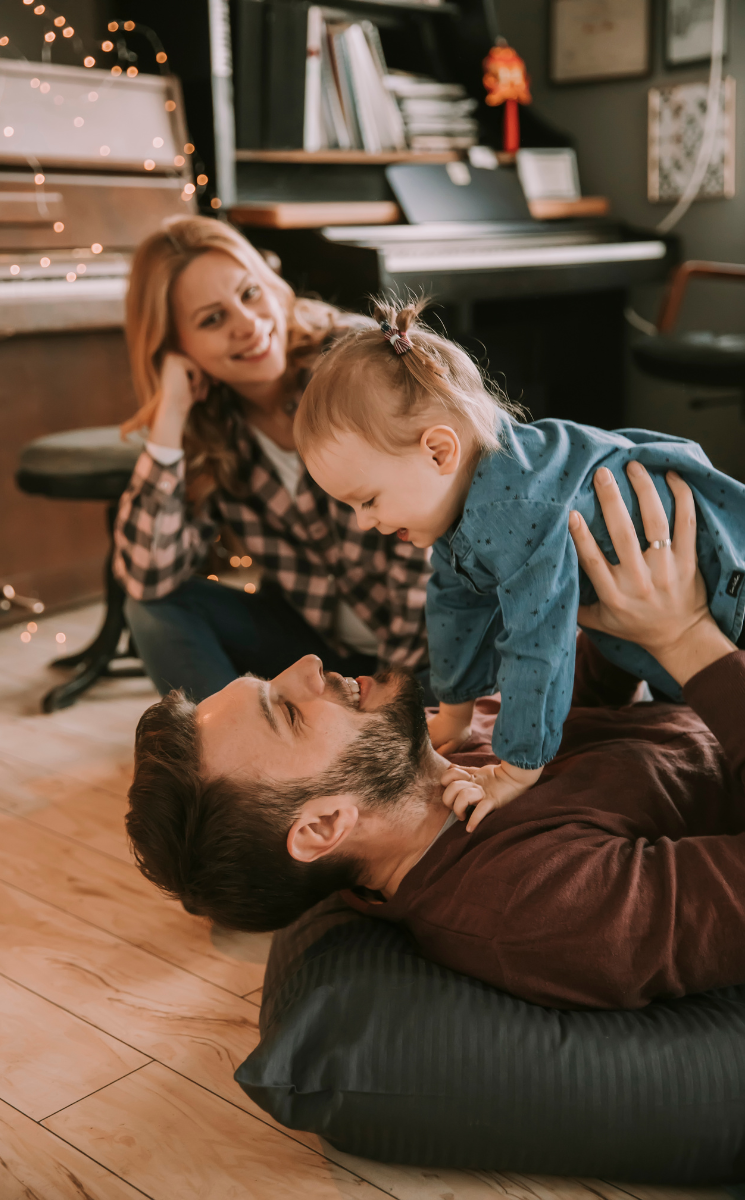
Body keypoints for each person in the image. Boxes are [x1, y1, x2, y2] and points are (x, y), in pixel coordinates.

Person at [126, 464, 745, 1010]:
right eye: (287, 713)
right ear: (322, 827)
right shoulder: (533, 910)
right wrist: (683, 636)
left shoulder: (432, 762)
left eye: (273, 679)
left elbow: (577, 713)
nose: (308, 667)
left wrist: (603, 594)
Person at [294, 298, 745, 819]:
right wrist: (456, 714)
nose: (362, 522)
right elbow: (454, 601)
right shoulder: (467, 489)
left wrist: (516, 766)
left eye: (367, 499)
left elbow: (539, 645)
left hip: (727, 591)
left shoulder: (513, 508)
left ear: (439, 451)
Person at [113, 219, 431, 701]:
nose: (247, 323)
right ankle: (235, 758)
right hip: (322, 655)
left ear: (273, 286)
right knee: (153, 608)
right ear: (178, 348)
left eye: (249, 293)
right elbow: (147, 576)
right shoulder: (207, 423)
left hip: (431, 654)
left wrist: (388, 701)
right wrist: (172, 414)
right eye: (212, 319)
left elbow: (422, 549)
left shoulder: (353, 361)